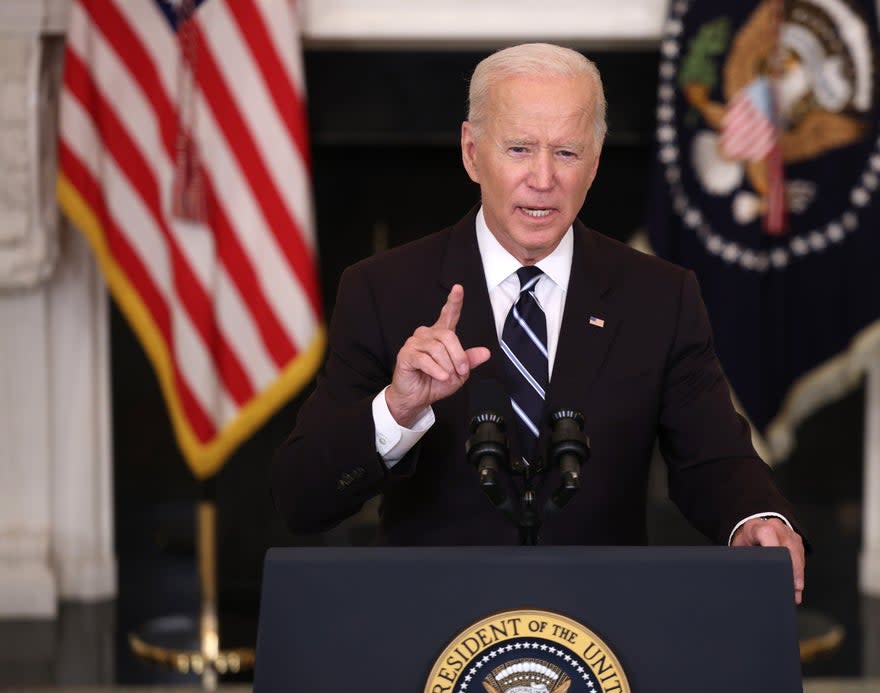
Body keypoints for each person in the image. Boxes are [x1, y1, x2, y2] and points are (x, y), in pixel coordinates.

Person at [272, 43, 806, 603]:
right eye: (520, 149)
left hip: (602, 634)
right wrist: (397, 409)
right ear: (472, 153)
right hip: (434, 631)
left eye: (568, 153)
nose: (543, 178)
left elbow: (714, 457)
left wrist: (755, 518)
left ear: (596, 161)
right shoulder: (383, 289)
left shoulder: (660, 296)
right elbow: (301, 498)